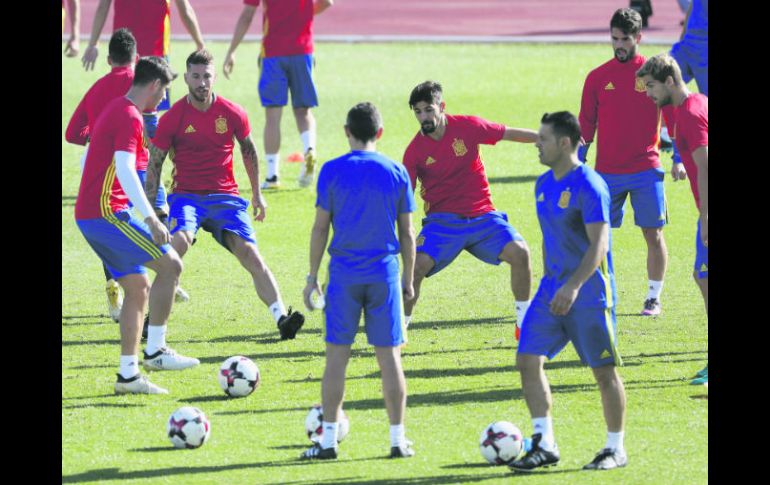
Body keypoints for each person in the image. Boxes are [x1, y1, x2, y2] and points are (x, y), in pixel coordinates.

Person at [144, 49, 306, 341]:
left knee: (251, 255)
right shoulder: (174, 117)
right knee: (176, 247)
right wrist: (151, 212)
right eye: (195, 76)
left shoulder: (232, 112)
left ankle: (281, 318)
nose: (202, 82)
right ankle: (151, 321)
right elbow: (154, 163)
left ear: (214, 77)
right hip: (187, 197)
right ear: (186, 79)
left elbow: (248, 150)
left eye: (207, 76)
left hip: (225, 198)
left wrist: (257, 195)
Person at [75, 56, 200, 395]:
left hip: (96, 214)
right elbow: (127, 170)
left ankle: (128, 376)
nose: (164, 100)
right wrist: (150, 218)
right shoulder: (130, 116)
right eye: (165, 92)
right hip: (105, 214)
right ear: (155, 86)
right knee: (171, 265)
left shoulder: (119, 108)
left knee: (138, 287)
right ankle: (156, 351)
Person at [510, 111, 627, 472]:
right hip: (551, 290)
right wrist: (552, 284)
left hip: (588, 293)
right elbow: (549, 239)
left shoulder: (590, 184)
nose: (536, 143)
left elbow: (599, 244)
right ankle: (544, 442)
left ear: (564, 143)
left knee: (603, 371)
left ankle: (614, 448)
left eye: (543, 138)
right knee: (527, 359)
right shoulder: (543, 184)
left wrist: (573, 286)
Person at [300, 102, 416, 460]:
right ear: (379, 133)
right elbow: (408, 233)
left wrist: (311, 277)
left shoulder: (332, 171)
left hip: (344, 276)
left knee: (337, 358)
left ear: (346, 131)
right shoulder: (397, 171)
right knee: (390, 359)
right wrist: (409, 280)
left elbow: (321, 227)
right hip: (384, 273)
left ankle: (328, 441)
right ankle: (397, 440)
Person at [402, 81, 535, 340]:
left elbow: (508, 133)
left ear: (442, 107)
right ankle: (400, 330)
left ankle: (523, 324)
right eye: (417, 112)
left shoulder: (468, 127)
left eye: (428, 109)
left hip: (483, 217)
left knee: (521, 253)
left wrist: (547, 137)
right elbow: (404, 196)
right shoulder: (414, 152)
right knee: (415, 269)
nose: (423, 117)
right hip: (442, 224)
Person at [578, 8, 677, 316]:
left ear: (638, 37)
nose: (618, 45)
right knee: (596, 236)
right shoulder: (597, 77)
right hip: (607, 172)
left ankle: (653, 296)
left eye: (625, 39)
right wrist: (578, 165)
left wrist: (679, 158)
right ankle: (599, 293)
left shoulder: (653, 76)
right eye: (614, 38)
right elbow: (586, 125)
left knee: (653, 234)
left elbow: (674, 117)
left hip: (646, 168)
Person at [637, 54, 708, 386]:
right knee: (702, 276)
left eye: (651, 86)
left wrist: (706, 216)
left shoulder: (691, 115)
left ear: (668, 81)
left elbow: (705, 165)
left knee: (704, 277)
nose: (648, 93)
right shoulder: (695, 103)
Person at [222, 0, 334, 189]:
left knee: (273, 116)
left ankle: (272, 176)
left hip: (273, 53)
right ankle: (309, 149)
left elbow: (247, 14)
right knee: (303, 111)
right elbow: (327, 2)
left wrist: (232, 50)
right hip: (303, 50)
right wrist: (303, 16)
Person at [82, 0, 205, 139]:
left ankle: (124, 154)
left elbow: (103, 6)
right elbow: (185, 10)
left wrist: (93, 44)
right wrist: (200, 44)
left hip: (124, 54)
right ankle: (147, 157)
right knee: (150, 116)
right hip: (155, 56)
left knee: (123, 112)